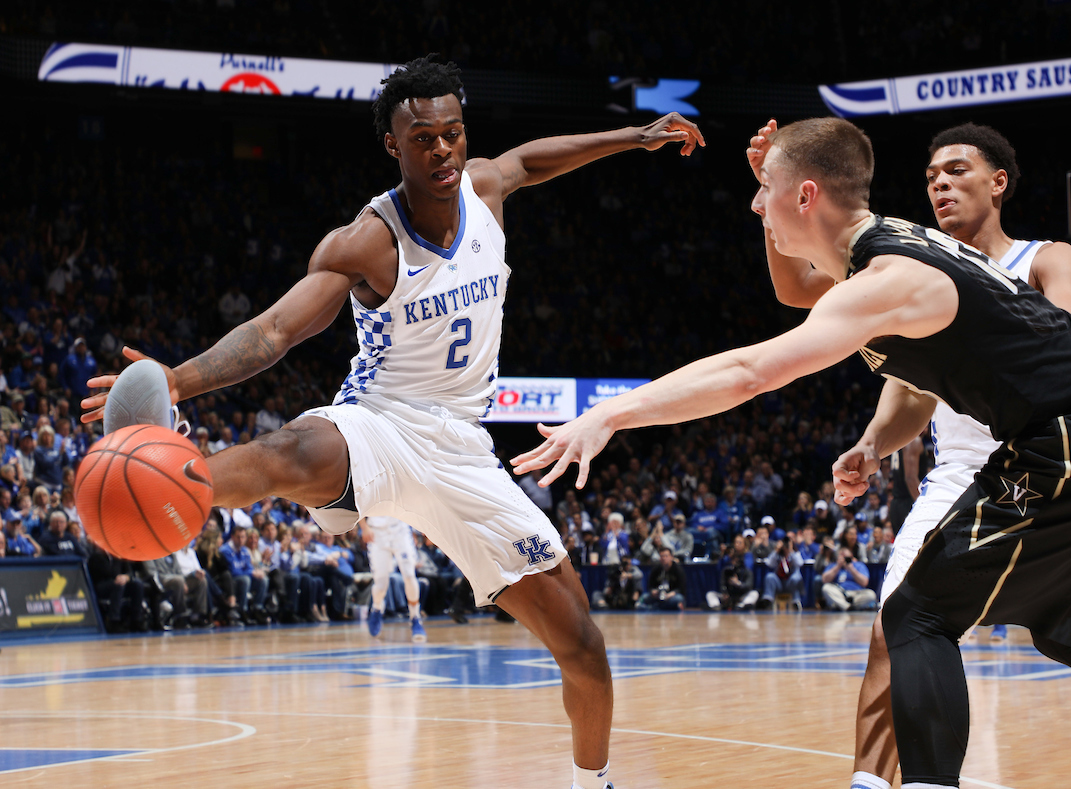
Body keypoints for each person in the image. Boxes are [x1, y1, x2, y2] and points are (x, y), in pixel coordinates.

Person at [513, 116, 1071, 785]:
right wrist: (874, 443)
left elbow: (750, 372)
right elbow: (794, 287)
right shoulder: (891, 247)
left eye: (765, 194)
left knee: (919, 610)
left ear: (806, 195)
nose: (756, 205)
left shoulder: (889, 278)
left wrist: (610, 413)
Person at [83, 56, 702, 789]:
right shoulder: (368, 240)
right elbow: (277, 330)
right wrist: (176, 380)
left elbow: (531, 159)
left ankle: (591, 783)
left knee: (583, 645)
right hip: (382, 423)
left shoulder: (486, 188)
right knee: (296, 447)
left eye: (453, 133)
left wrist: (635, 135)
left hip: (467, 452)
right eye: (424, 139)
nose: (442, 149)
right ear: (393, 145)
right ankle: (169, 489)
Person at [841, 122, 1071, 789]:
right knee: (898, 626)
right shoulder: (919, 274)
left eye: (956, 170)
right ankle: (872, 779)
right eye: (930, 178)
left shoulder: (1044, 257)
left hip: (1053, 461)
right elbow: (910, 399)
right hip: (960, 474)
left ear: (998, 182)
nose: (939, 184)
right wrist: (870, 444)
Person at [361, 516, 426, 642]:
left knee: (409, 575)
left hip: (399, 528)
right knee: (381, 584)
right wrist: (364, 527)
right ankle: (377, 608)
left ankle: (415, 618)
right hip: (376, 531)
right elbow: (356, 502)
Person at [821, 546, 876, 611]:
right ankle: (847, 607)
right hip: (840, 593)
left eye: (846, 558)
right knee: (826, 588)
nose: (844, 560)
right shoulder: (833, 565)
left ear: (851, 556)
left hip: (857, 593)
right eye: (842, 557)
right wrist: (837, 567)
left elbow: (864, 583)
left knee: (871, 594)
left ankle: (845, 606)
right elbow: (824, 580)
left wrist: (851, 569)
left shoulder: (859, 565)